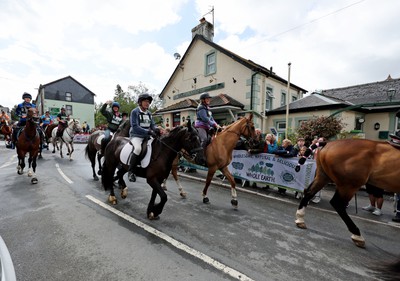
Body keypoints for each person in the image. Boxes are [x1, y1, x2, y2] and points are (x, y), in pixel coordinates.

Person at [127, 93, 158, 182]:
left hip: (147, 136)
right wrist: (148, 131)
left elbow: (153, 125)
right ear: (140, 102)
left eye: (148, 102)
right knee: (137, 149)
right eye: (145, 101)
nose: (147, 103)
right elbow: (135, 126)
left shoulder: (149, 113)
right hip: (136, 136)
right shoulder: (135, 111)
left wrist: (157, 129)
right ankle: (131, 171)